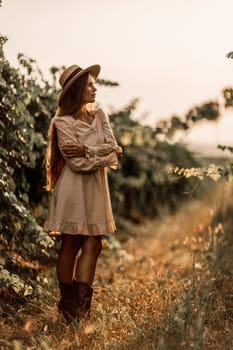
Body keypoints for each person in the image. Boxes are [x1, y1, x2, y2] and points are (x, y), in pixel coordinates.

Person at [43, 64, 122, 324]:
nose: (95, 88)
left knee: (94, 245)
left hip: (96, 189)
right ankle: (69, 307)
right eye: (89, 84)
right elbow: (76, 165)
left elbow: (113, 152)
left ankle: (81, 312)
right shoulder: (61, 122)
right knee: (71, 244)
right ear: (77, 90)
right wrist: (103, 153)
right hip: (73, 190)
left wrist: (88, 151)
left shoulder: (100, 114)